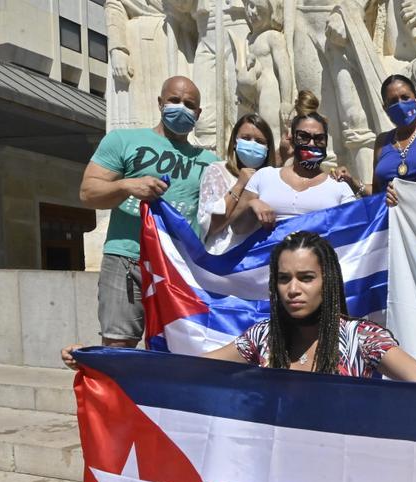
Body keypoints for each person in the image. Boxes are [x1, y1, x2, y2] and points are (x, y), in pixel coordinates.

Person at [63, 231, 416, 410]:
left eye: (306, 278)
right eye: (285, 279)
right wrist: (103, 362)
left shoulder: (363, 338)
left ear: (327, 281)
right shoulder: (261, 339)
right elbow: (191, 367)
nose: (294, 288)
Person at [80, 76, 220, 347]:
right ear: (160, 102)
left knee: (178, 350)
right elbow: (88, 192)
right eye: (174, 101)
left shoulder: (210, 163)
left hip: (178, 269)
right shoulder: (123, 140)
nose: (181, 108)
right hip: (126, 259)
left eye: (189, 104)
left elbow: (227, 214)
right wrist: (126, 185)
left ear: (198, 113)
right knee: (119, 348)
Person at [230, 92, 361, 228]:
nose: (311, 144)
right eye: (303, 137)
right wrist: (252, 206)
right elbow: (236, 228)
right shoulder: (264, 176)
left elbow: (355, 231)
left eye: (318, 139)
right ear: (292, 139)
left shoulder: (339, 187)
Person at [196, 113, 276, 254]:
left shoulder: (273, 178)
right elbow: (211, 226)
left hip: (259, 259)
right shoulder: (217, 171)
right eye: (246, 138)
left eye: (259, 141)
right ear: (235, 142)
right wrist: (240, 185)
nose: (252, 144)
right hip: (224, 258)